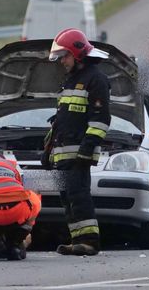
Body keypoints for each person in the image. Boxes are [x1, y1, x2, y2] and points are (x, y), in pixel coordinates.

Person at [45, 28, 111, 256]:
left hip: (79, 152)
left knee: (79, 195)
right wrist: (48, 151)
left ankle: (91, 241)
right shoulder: (71, 81)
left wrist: (87, 149)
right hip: (63, 152)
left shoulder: (96, 80)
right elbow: (60, 121)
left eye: (65, 56)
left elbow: (101, 120)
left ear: (77, 53)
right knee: (68, 197)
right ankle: (78, 241)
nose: (62, 61)